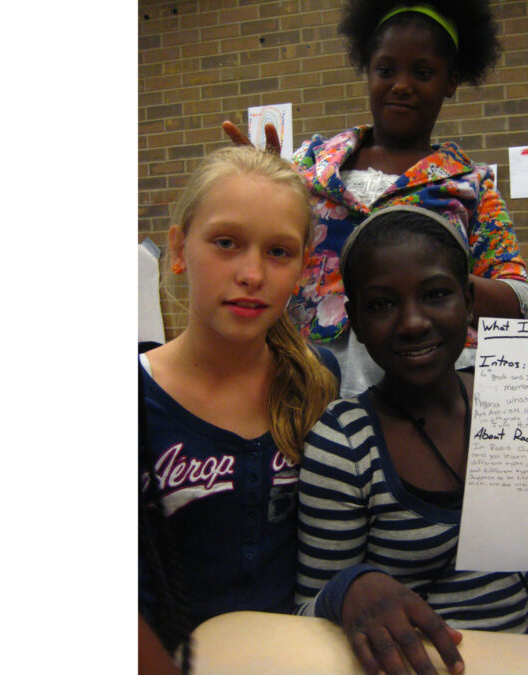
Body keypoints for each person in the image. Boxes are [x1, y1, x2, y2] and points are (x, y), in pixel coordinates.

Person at [294, 206, 528, 675]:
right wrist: (349, 589)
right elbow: (304, 623)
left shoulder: (517, 405)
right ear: (353, 318)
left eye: (436, 294)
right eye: (381, 304)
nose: (413, 322)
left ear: (470, 302)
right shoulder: (345, 443)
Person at [224, 0, 528, 398]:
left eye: (422, 72)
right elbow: (266, 249)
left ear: (451, 81)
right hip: (306, 379)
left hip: (429, 386)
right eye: (386, 70)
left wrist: (439, 283)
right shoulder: (310, 164)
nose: (401, 84)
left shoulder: (470, 186)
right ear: (368, 71)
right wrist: (255, 189)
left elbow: (520, 298)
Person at [138, 145, 340, 672]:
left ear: (302, 266)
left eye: (278, 252)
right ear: (180, 247)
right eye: (226, 243)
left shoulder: (316, 384)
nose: (252, 274)